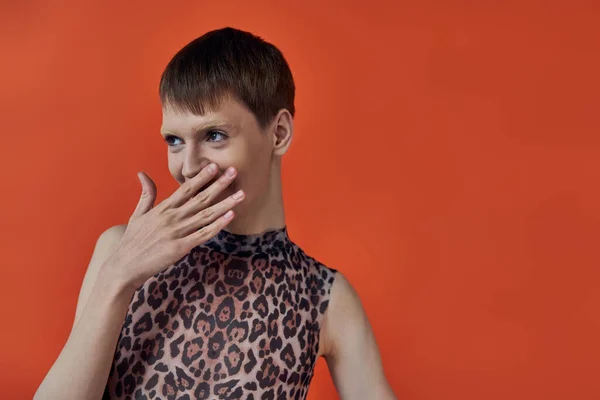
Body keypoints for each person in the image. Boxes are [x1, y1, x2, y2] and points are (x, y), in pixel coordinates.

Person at [35, 27, 396, 400]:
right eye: (174, 140)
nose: (188, 167)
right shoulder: (118, 250)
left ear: (279, 133)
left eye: (214, 136)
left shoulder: (325, 297)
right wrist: (117, 278)